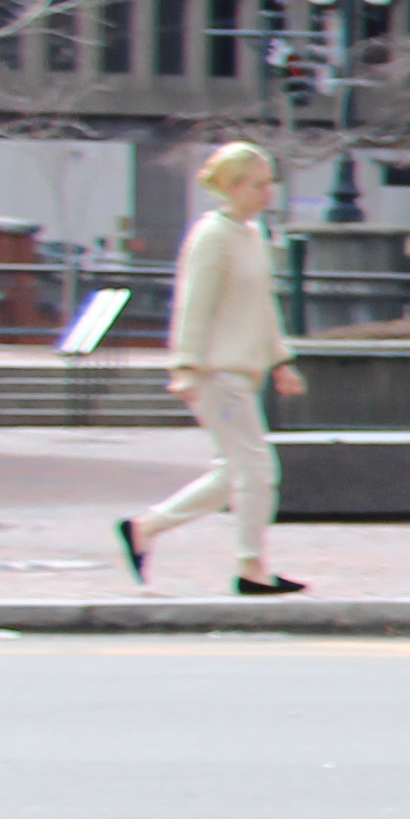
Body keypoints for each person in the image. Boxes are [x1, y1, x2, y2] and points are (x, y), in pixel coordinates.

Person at [119, 138, 305, 597]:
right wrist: (184, 366)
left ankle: (145, 529)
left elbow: (262, 305)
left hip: (241, 371)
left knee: (234, 473)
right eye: (259, 185)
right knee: (258, 471)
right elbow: (193, 305)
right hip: (218, 373)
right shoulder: (212, 235)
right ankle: (251, 567)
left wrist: (280, 360)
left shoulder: (250, 234)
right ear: (234, 186)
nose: (268, 194)